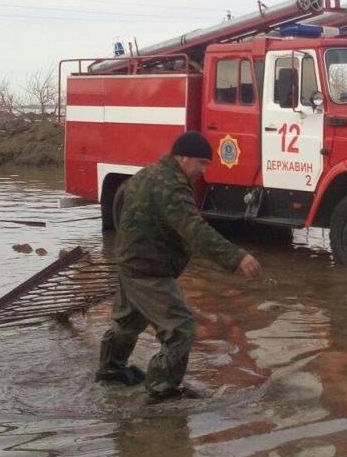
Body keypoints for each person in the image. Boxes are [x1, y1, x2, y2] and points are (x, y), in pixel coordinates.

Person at [96, 131, 263, 401]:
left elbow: (119, 203)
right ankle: (163, 390)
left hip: (131, 262)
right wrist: (236, 258)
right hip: (148, 270)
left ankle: (111, 370)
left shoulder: (147, 174)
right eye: (201, 163)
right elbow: (194, 230)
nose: (203, 170)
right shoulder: (171, 185)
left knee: (128, 320)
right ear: (182, 157)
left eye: (206, 164)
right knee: (181, 327)